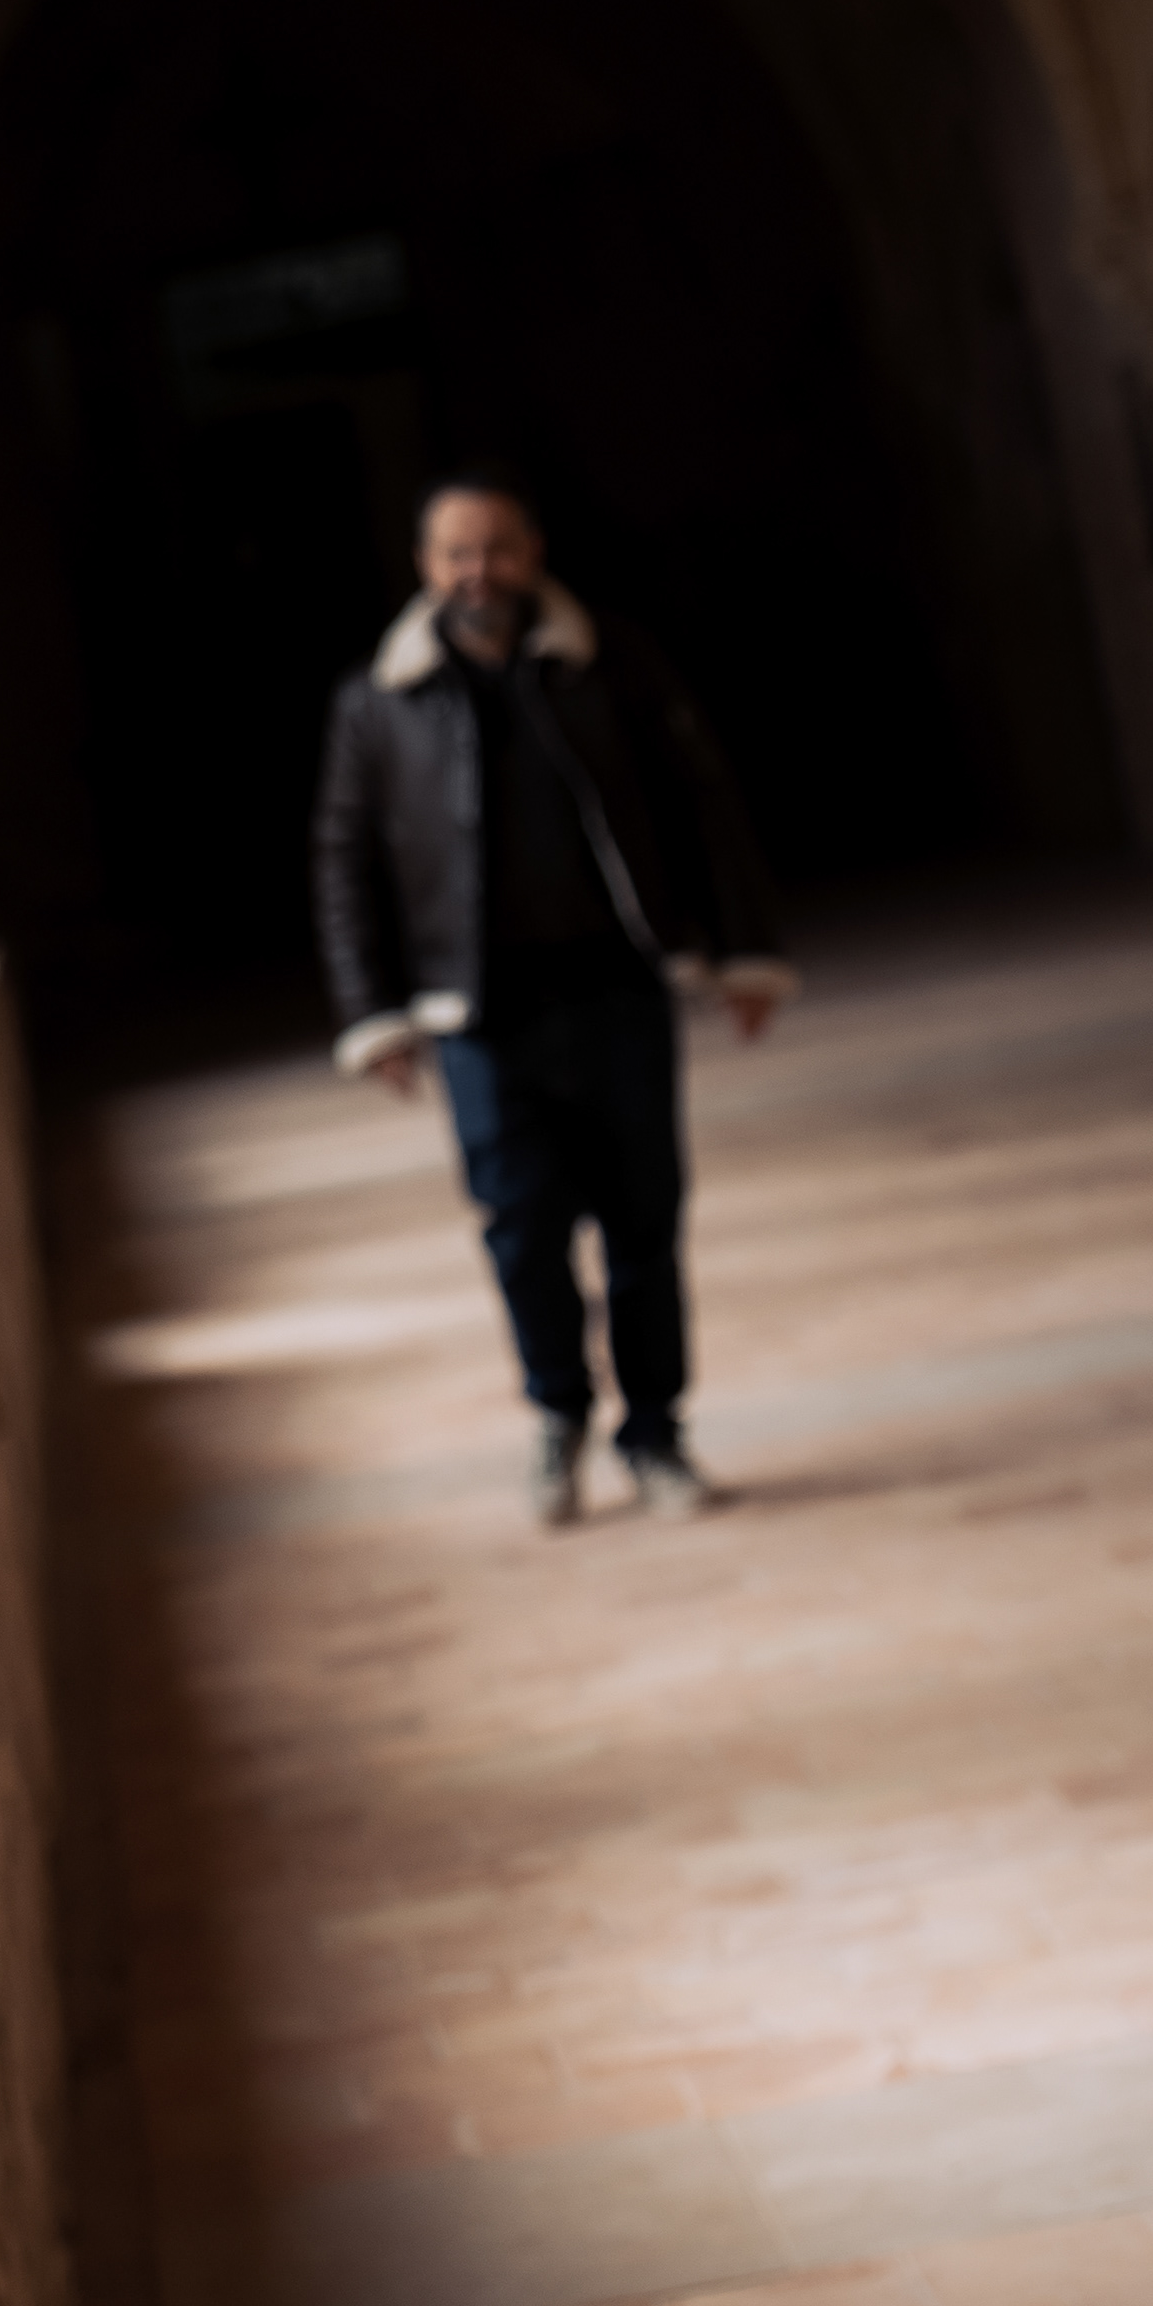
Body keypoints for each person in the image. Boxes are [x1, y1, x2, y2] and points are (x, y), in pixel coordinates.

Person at [311, 476, 790, 1525]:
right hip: (478, 1015)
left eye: (495, 551)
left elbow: (702, 797)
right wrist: (372, 1012)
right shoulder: (381, 702)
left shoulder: (611, 662)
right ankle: (557, 1419)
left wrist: (745, 953)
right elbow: (345, 859)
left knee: (644, 1224)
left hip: (617, 990)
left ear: (533, 552)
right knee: (520, 1229)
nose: (476, 574)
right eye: (453, 556)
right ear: (425, 567)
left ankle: (658, 1434)